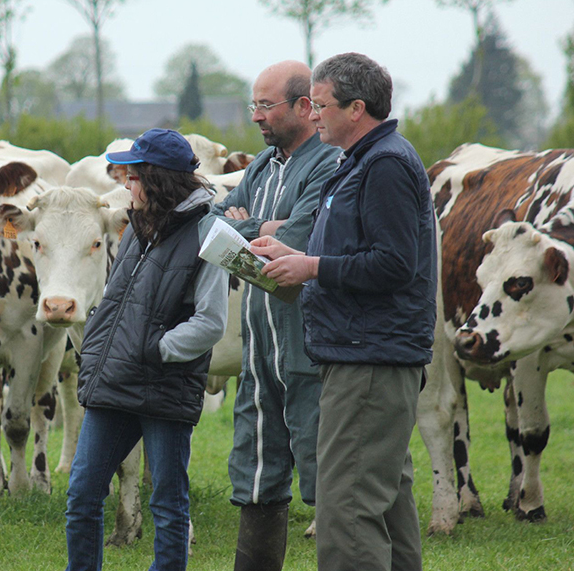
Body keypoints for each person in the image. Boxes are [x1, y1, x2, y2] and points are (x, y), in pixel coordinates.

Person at [251, 52, 437, 571]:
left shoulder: (385, 165)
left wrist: (311, 268)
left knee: (347, 513)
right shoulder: (361, 163)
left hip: (370, 360)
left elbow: (395, 264)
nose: (313, 115)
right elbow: (358, 251)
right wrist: (295, 256)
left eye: (323, 105)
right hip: (364, 356)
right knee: (387, 504)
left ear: (357, 109)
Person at [65, 128, 229, 571]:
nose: (124, 184)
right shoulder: (136, 226)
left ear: (156, 179)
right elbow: (117, 302)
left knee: (168, 504)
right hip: (115, 381)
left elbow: (211, 322)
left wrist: (155, 350)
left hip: (164, 387)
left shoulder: (210, 232)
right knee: (82, 495)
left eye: (132, 176)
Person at [198, 60, 338, 571]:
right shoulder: (261, 166)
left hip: (309, 346)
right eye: (252, 104)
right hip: (259, 351)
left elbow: (296, 242)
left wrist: (250, 226)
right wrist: (263, 225)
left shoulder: (327, 162)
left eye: (265, 105)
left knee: (328, 472)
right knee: (256, 471)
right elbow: (211, 224)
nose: (256, 116)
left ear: (304, 106)